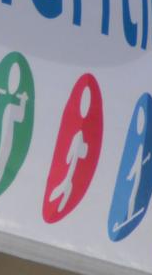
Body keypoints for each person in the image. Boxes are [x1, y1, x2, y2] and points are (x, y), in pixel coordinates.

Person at [0, 62, 28, 193]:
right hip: (3, 138)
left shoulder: (8, 104)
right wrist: (23, 101)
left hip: (5, 138)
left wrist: (23, 101)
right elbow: (20, 116)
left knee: (1, 164)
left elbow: (20, 117)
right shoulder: (8, 104)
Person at [48, 85, 91, 213]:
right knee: (66, 187)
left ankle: (60, 202)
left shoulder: (79, 136)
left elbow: (70, 157)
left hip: (70, 172)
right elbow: (83, 154)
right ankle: (60, 202)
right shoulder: (79, 136)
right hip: (70, 173)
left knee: (67, 187)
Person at [113, 105, 152, 234]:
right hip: (137, 176)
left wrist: (131, 174)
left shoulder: (140, 146)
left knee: (132, 195)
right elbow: (138, 162)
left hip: (138, 176)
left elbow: (137, 163)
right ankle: (129, 214)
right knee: (132, 195)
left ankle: (129, 214)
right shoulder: (139, 145)